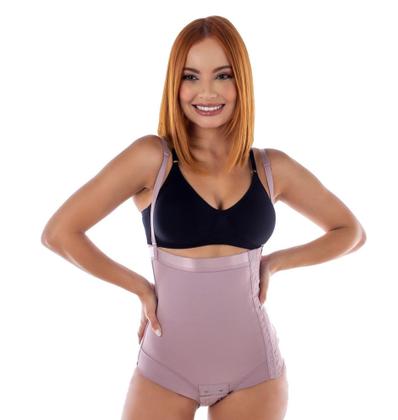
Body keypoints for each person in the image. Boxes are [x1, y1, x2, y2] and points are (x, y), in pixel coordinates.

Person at [41, 15, 366, 420]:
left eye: (223, 76)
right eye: (191, 76)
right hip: (166, 367)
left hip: (254, 369)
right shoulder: (151, 159)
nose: (207, 92)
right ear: (174, 85)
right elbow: (60, 232)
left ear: (241, 82)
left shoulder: (271, 168)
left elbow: (350, 232)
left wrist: (274, 262)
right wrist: (140, 288)